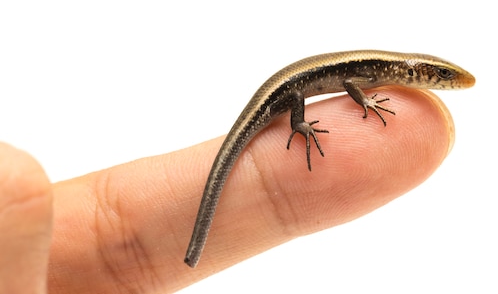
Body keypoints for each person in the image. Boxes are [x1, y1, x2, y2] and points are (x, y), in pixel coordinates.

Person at [0, 88, 455, 293]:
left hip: (282, 92)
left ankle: (193, 249)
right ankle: (194, 247)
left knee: (230, 170)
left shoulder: (371, 71)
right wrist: (360, 104)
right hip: (281, 96)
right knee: (277, 130)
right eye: (437, 79)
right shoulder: (364, 76)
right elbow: (352, 88)